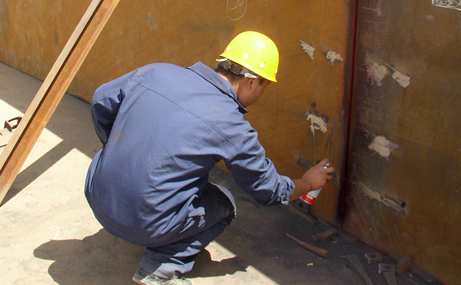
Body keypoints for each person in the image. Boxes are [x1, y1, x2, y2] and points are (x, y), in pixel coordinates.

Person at [84, 31, 335, 285]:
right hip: (143, 221)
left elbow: (100, 101)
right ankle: (160, 267)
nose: (262, 94)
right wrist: (307, 183)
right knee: (224, 204)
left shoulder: (156, 72)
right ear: (250, 82)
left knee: (182, 180)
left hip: (97, 194)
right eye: (264, 86)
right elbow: (267, 189)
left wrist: (116, 147)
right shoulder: (231, 125)